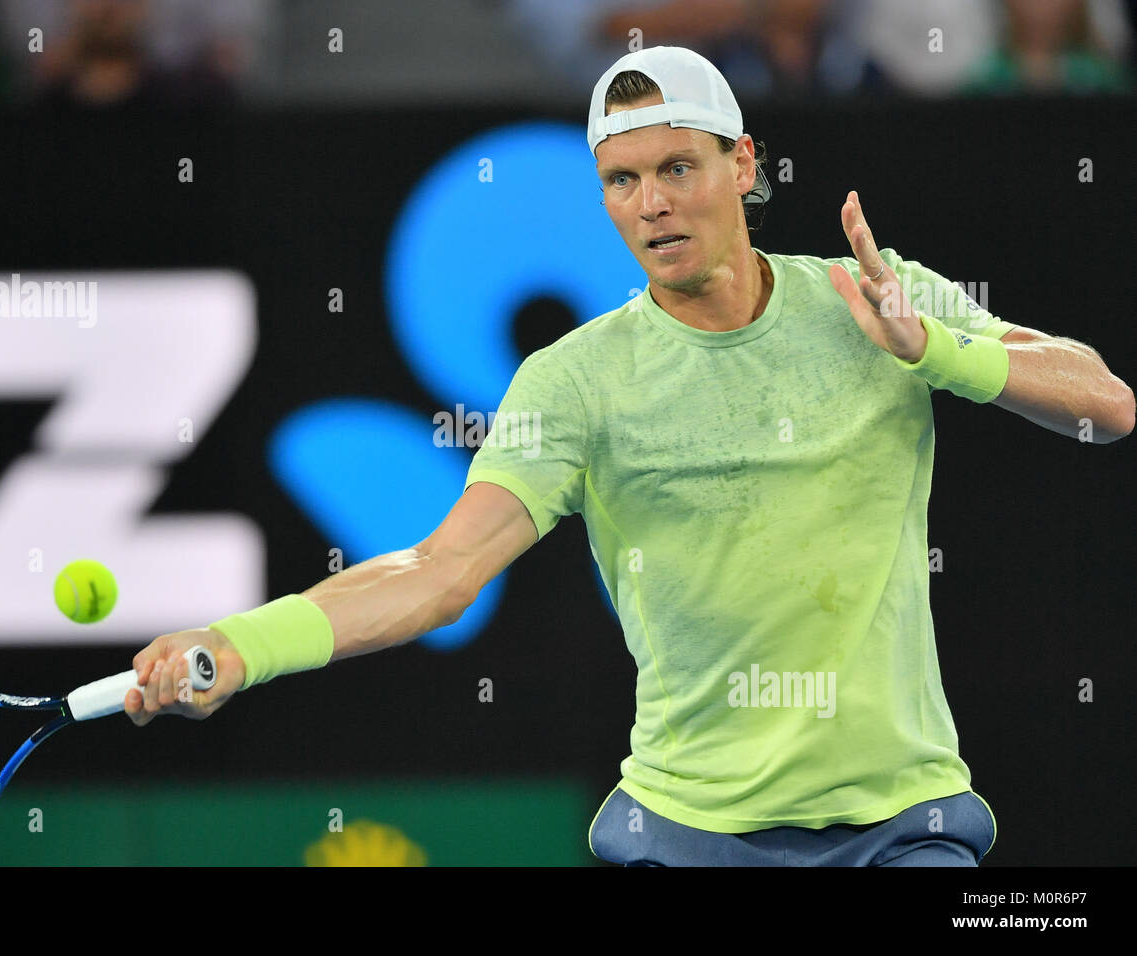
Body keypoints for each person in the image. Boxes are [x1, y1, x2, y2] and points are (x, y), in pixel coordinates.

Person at [124, 45, 1134, 866]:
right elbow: (436, 574)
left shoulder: (870, 299)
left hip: (899, 825)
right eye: (622, 180)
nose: (650, 203)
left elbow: (1105, 404)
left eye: (676, 169)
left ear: (744, 164)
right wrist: (239, 645)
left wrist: (936, 350)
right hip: (685, 831)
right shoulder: (571, 382)